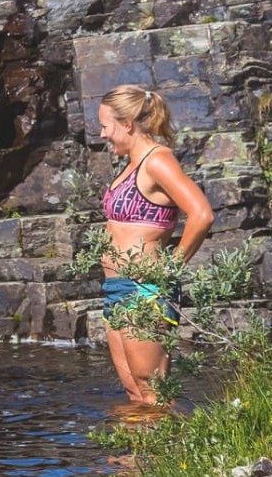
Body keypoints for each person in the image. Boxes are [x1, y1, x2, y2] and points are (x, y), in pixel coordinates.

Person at [95, 85, 213, 406]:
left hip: (145, 290)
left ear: (128, 124)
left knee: (152, 391)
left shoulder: (157, 161)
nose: (102, 134)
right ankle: (136, 457)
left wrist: (171, 267)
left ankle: (174, 452)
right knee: (135, 393)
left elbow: (201, 214)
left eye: (106, 126)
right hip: (117, 288)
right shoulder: (131, 165)